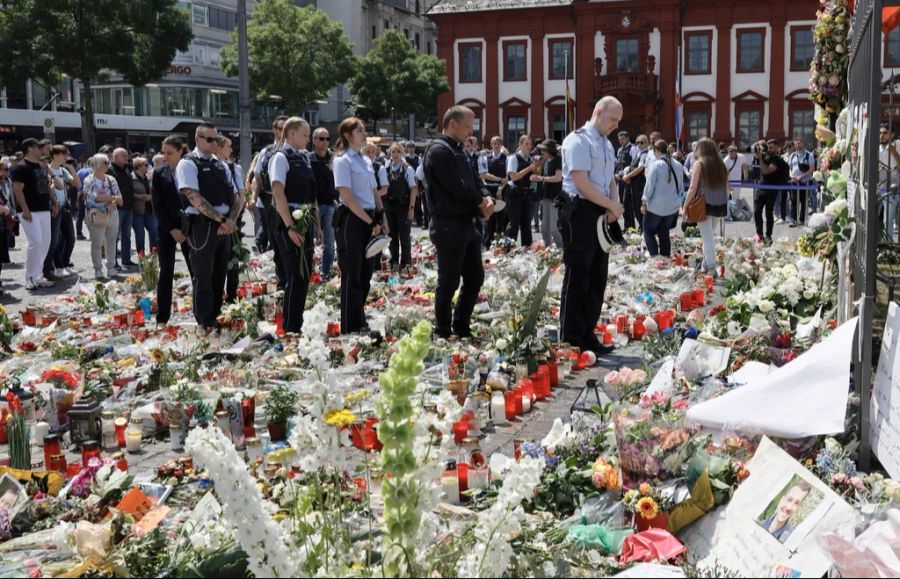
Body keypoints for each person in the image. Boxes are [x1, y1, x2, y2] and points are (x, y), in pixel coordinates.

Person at [559, 97, 626, 357]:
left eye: (618, 121)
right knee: (578, 276)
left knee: (597, 276)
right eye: (612, 119)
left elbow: (610, 179)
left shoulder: (606, 145)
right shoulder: (578, 140)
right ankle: (571, 338)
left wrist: (614, 205)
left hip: (600, 211)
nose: (615, 125)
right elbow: (581, 182)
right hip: (579, 211)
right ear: (598, 112)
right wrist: (610, 204)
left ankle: (587, 333)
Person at [423, 105, 494, 339]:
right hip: (449, 224)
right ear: (453, 124)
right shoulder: (438, 151)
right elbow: (456, 187)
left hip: (468, 223)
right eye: (467, 126)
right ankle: (442, 331)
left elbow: (474, 180)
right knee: (449, 280)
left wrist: (486, 197)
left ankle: (461, 326)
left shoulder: (459, 150)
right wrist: (480, 203)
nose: (470, 132)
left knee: (475, 277)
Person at [176, 121, 243, 331]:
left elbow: (236, 197)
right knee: (203, 275)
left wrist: (230, 220)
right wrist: (221, 220)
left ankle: (216, 314)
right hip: (203, 225)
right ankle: (204, 321)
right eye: (209, 139)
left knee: (219, 274)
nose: (214, 142)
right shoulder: (188, 163)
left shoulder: (221, 164)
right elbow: (193, 197)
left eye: (216, 138)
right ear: (197, 139)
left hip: (225, 225)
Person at [333, 117, 390, 334]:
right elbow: (346, 196)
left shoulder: (366, 160)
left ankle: (360, 320)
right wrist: (370, 222)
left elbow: (375, 193)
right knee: (352, 274)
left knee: (366, 274)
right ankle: (350, 326)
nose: (364, 133)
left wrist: (382, 217)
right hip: (352, 220)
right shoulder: (342, 160)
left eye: (364, 129)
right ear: (348, 135)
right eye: (359, 130)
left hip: (370, 218)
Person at [268, 116, 322, 334]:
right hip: (289, 217)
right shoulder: (281, 157)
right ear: (291, 134)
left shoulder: (304, 157)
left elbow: (312, 195)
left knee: (305, 274)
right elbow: (278, 191)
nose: (308, 139)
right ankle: (290, 327)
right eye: (305, 134)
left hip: (305, 217)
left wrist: (316, 225)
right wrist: (289, 225)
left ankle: (296, 323)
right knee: (294, 274)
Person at [153, 135, 193, 325]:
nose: (165, 156)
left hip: (190, 228)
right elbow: (157, 206)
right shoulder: (159, 172)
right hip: (166, 229)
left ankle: (202, 314)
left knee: (196, 270)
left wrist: (185, 229)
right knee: (166, 271)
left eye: (169, 153)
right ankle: (162, 317)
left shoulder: (190, 169)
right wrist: (172, 230)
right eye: (163, 152)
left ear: (180, 151)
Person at [11, 138, 57, 290]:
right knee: (36, 242)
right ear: (30, 149)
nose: (43, 148)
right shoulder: (21, 167)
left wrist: (54, 203)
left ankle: (38, 275)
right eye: (39, 146)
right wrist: (24, 209)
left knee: (45, 243)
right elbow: (17, 190)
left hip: (44, 208)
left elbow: (46, 186)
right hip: (29, 211)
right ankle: (30, 277)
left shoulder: (42, 166)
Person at [684, 138, 729, 273]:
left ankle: (711, 268)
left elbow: (693, 187)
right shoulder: (721, 164)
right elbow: (727, 186)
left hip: (703, 204)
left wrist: (685, 205)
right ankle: (705, 265)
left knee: (707, 238)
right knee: (708, 237)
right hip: (719, 204)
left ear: (701, 149)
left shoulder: (699, 164)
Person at [254, 115, 289, 288]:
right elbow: (258, 177)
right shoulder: (266, 152)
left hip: (289, 200)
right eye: (281, 128)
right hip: (269, 200)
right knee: (275, 239)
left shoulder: (294, 151)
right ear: (275, 130)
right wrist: (253, 198)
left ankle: (292, 277)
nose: (284, 132)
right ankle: (282, 278)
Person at [82, 153, 123, 280]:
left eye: (108, 162)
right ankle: (98, 269)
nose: (108, 165)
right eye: (105, 162)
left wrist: (113, 202)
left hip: (112, 214)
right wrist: (112, 199)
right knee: (97, 243)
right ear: (96, 165)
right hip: (97, 215)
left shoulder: (111, 179)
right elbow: (95, 197)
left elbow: (120, 199)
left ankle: (111, 267)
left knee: (111, 241)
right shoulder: (89, 179)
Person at [641, 139, 684, 257]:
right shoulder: (678, 165)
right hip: (672, 207)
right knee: (664, 232)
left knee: (648, 231)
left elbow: (649, 186)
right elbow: (680, 188)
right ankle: (665, 259)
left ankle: (655, 257)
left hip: (656, 207)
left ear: (657, 151)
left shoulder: (656, 165)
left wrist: (644, 202)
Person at [383, 142, 418, 271]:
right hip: (390, 206)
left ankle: (406, 263)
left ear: (402, 153)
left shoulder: (407, 169)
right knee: (392, 236)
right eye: (393, 152)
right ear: (390, 153)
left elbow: (413, 190)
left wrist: (412, 208)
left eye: (398, 151)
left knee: (404, 236)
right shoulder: (386, 168)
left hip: (403, 206)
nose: (395, 154)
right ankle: (394, 263)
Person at [218, 136, 245, 304]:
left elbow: (241, 195)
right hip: (217, 220)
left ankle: (232, 293)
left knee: (233, 256)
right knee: (218, 260)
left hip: (234, 218)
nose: (231, 150)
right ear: (219, 147)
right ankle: (218, 293)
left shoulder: (235, 168)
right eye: (228, 146)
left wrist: (233, 219)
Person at [47, 145, 78, 279]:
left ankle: (65, 264)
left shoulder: (63, 171)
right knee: (56, 240)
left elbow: (77, 184)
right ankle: (58, 266)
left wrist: (71, 168)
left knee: (71, 238)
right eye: (63, 154)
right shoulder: (47, 170)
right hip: (54, 207)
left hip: (65, 207)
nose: (66, 157)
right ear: (55, 155)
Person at [311, 127, 338, 278]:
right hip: (310, 206)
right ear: (314, 140)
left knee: (329, 242)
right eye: (321, 139)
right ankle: (309, 271)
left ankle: (325, 272)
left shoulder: (334, 158)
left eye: (327, 139)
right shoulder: (308, 158)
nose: (325, 142)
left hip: (329, 205)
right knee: (310, 241)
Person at [756, 139, 790, 245]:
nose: (769, 150)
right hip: (760, 189)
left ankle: (768, 235)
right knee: (757, 212)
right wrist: (759, 146)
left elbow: (766, 171)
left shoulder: (777, 160)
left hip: (771, 191)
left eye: (771, 148)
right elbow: (753, 148)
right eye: (768, 147)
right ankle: (759, 234)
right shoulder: (765, 155)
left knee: (768, 213)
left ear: (777, 147)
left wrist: (761, 159)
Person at [506, 135, 537, 246]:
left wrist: (536, 172)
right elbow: (513, 177)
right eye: (526, 144)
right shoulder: (514, 158)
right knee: (514, 222)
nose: (529, 146)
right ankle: (508, 249)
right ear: (520, 145)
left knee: (526, 222)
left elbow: (532, 177)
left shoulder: (530, 159)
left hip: (526, 193)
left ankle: (527, 248)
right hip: (514, 193)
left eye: (530, 144)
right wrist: (529, 168)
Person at [478, 136, 508, 248]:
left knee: (501, 219)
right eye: (494, 143)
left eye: (498, 143)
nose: (496, 145)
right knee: (488, 217)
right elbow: (484, 175)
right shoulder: (485, 158)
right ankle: (487, 244)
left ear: (501, 145)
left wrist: (501, 186)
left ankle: (500, 245)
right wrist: (499, 179)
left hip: (501, 190)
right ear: (491, 145)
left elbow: (507, 177)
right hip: (488, 189)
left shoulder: (506, 158)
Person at [532, 139, 563, 247]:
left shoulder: (558, 159)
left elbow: (558, 178)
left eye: (543, 149)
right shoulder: (544, 160)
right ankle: (548, 249)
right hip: (546, 196)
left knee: (554, 228)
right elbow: (539, 175)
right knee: (544, 228)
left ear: (549, 150)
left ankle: (562, 249)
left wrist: (541, 178)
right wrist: (536, 168)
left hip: (557, 197)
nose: (541, 151)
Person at [109, 148, 136, 270]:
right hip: (117, 208)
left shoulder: (126, 169)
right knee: (114, 236)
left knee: (126, 235)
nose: (127, 157)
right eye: (123, 155)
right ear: (115, 157)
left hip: (129, 207)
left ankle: (126, 260)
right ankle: (113, 262)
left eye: (127, 155)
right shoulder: (110, 170)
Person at [622, 134, 650, 231]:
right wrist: (627, 173)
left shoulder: (645, 154)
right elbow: (632, 166)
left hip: (640, 184)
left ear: (647, 143)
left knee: (639, 205)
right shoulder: (638, 153)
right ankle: (640, 227)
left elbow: (640, 168)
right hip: (634, 183)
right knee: (634, 205)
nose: (639, 144)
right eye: (637, 142)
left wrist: (628, 176)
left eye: (641, 142)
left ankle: (644, 228)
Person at [131, 157, 158, 254]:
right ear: (138, 166)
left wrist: (151, 197)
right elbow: (128, 194)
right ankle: (141, 258)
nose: (148, 166)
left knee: (154, 232)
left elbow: (154, 191)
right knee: (140, 235)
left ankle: (154, 255)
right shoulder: (131, 178)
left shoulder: (148, 178)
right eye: (146, 165)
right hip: (137, 211)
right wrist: (140, 196)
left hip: (149, 210)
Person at [879, 125, 900, 241]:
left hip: (892, 188)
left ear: (892, 135)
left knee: (888, 218)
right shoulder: (877, 148)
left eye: (885, 133)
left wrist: (894, 152)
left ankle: (888, 246)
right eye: (880, 133)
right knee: (874, 218)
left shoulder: (897, 145)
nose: (882, 135)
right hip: (878, 186)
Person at [725, 146, 749, 222]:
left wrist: (746, 177)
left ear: (736, 152)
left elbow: (745, 167)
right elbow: (724, 173)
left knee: (735, 200)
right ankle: (727, 216)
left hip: (737, 181)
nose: (730, 154)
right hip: (728, 181)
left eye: (732, 152)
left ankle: (735, 215)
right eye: (729, 152)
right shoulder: (726, 160)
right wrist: (727, 184)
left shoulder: (741, 157)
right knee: (726, 199)